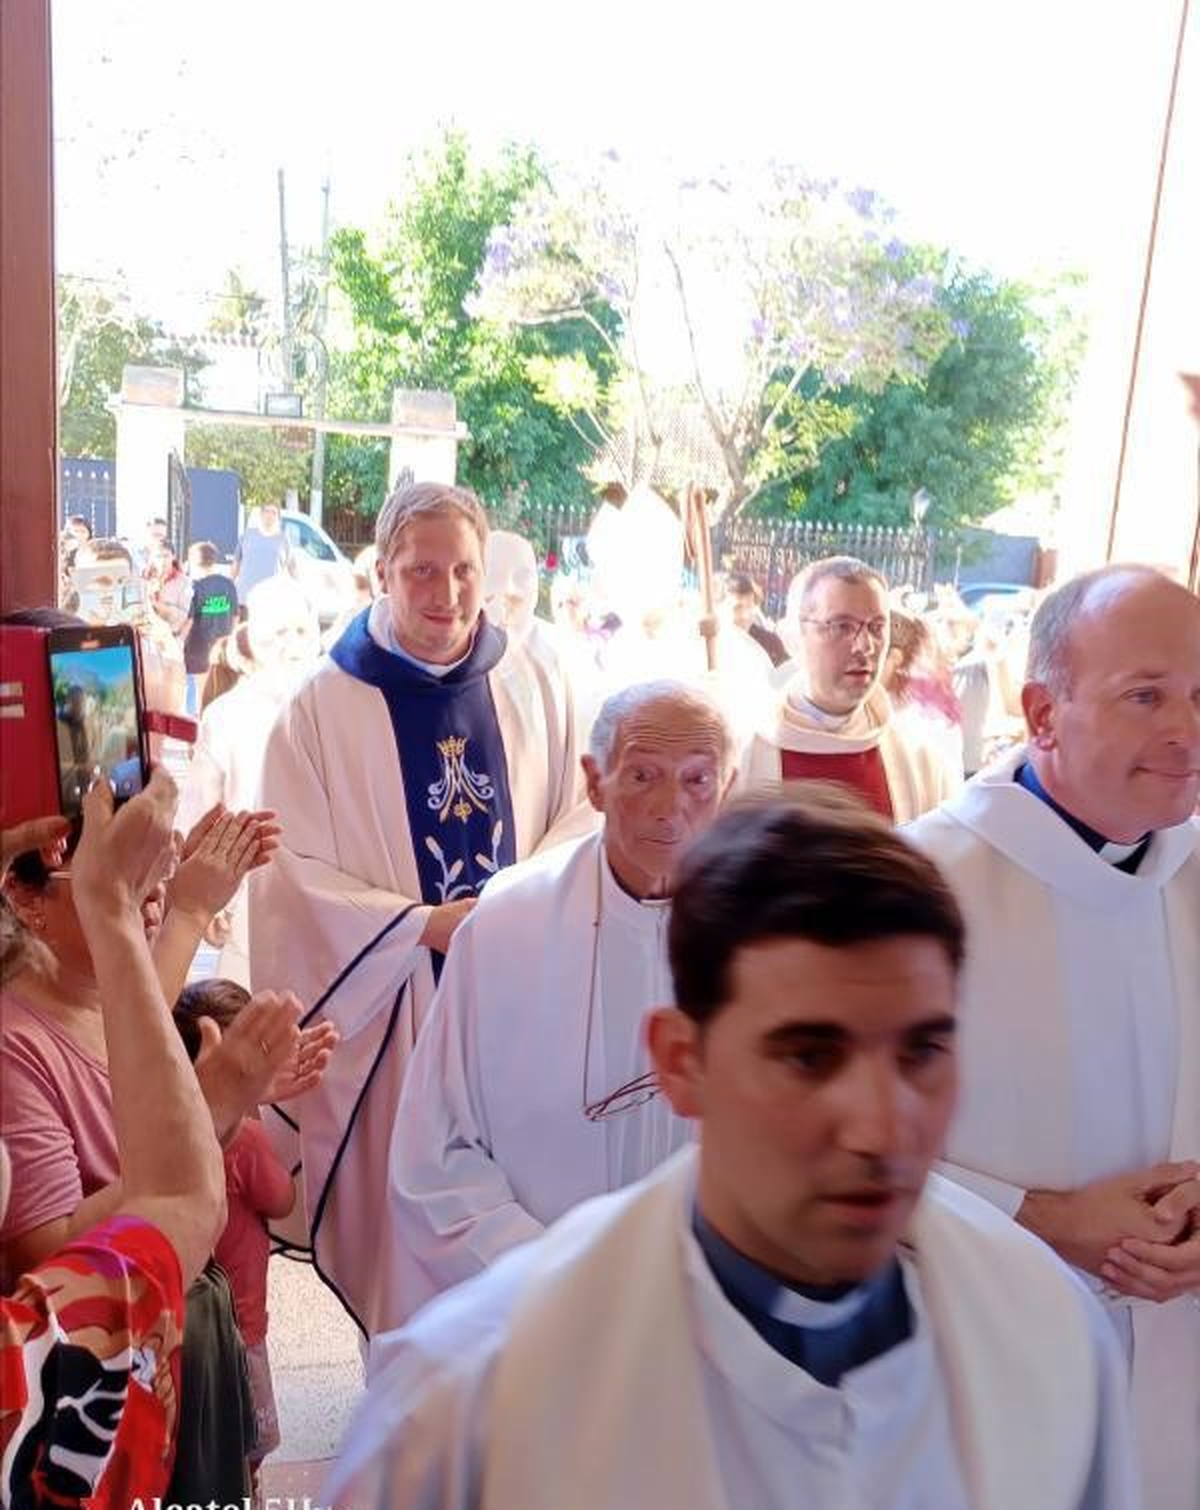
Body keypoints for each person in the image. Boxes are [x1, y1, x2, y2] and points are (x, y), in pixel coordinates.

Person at [331, 790, 1140, 1508]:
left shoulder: (1045, 1343)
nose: (882, 1129)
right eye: (809, 1057)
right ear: (682, 1062)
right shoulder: (476, 1403)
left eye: (921, 1052)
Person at [250, 480, 592, 1336]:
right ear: (381, 574)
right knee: (408, 1235)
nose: (447, 594)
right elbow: (291, 876)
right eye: (421, 572)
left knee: (525, 1213)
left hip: (519, 995)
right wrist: (417, 926)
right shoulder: (321, 707)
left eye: (464, 570)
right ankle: (412, 1379)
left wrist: (518, 903)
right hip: (396, 1008)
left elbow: (586, 814)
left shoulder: (536, 677)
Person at [907, 564, 1200, 1510]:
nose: (1187, 730)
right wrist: (1043, 1218)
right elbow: (817, 1145)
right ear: (1042, 712)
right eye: (1146, 696)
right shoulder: (911, 889)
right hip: (985, 1371)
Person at [390, 681, 735, 1322]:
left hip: (715, 1307)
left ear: (728, 789)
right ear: (594, 781)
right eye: (643, 775)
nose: (670, 809)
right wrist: (562, 1277)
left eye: (697, 781)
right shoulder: (505, 926)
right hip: (543, 1306)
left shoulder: (764, 937)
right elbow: (435, 1158)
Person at [1, 778, 228, 1505]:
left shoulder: (107, 999)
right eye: (117, 862)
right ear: (25, 896)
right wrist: (212, 1108)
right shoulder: (14, 1044)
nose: (148, 888)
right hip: (106, 1342)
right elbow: (57, 1248)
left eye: (153, 864)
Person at [175, 978, 297, 1497]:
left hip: (188, 1321)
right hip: (242, 1321)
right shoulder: (245, 1137)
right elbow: (281, 1200)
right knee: (249, 1439)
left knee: (202, 1435)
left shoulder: (168, 1125)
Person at [178, 576, 322, 985]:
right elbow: (202, 813)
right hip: (250, 901)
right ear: (253, 639)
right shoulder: (227, 714)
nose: (292, 645)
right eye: (278, 633)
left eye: (301, 631)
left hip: (327, 908)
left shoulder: (339, 706)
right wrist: (206, 899)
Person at [743, 556, 959, 820]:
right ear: (792, 638)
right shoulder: (745, 759)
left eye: (877, 627)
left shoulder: (922, 761)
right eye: (842, 626)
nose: (865, 646)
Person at [182, 541, 238, 713]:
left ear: (192, 562)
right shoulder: (228, 584)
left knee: (200, 697)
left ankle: (201, 724)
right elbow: (236, 616)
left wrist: (178, 642)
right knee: (223, 695)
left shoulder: (195, 587)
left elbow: (189, 621)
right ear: (214, 560)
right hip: (222, 650)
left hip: (198, 649)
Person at [232, 502, 292, 601]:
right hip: (244, 596)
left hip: (271, 597)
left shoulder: (283, 540)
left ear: (278, 518)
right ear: (261, 514)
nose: (270, 515)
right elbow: (236, 563)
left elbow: (291, 567)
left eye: (274, 512)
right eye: (267, 511)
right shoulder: (247, 535)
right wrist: (230, 584)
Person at [727, 571, 788, 666]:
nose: (744, 615)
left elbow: (785, 671)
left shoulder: (770, 643)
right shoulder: (717, 643)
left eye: (749, 606)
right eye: (738, 608)